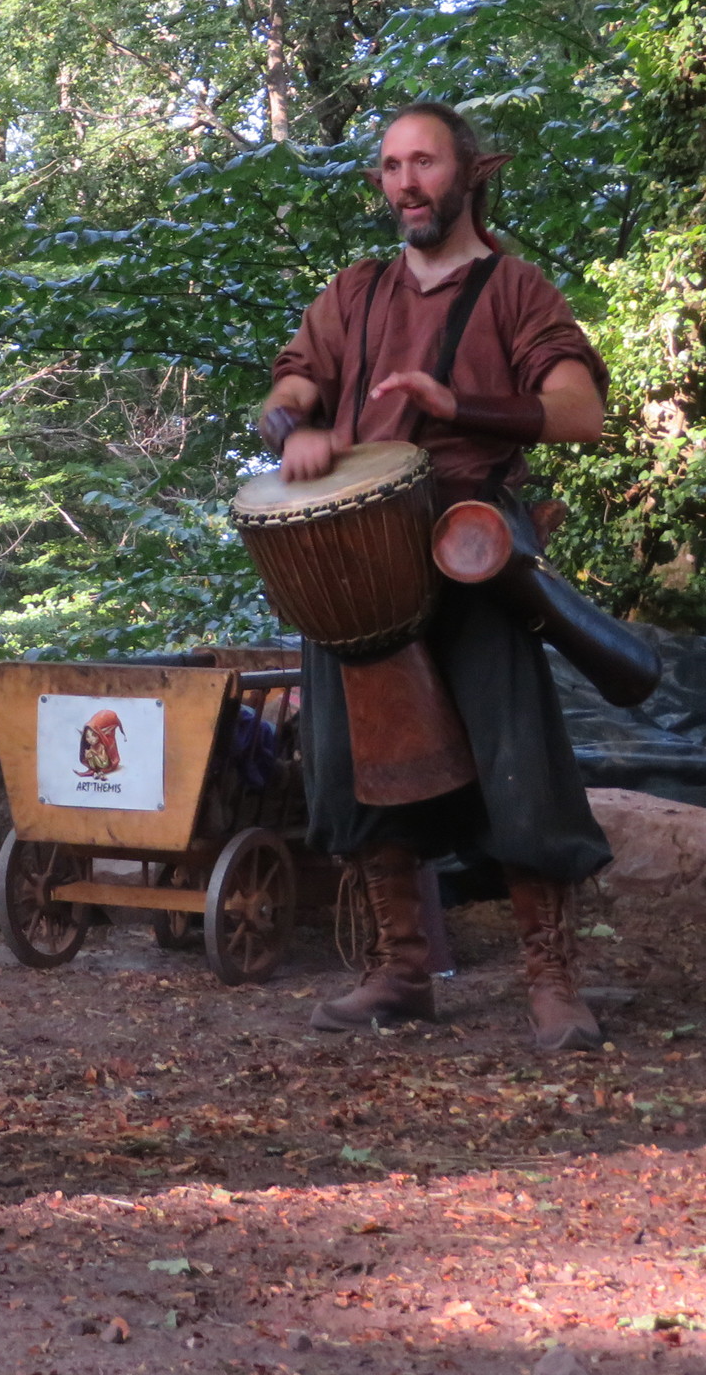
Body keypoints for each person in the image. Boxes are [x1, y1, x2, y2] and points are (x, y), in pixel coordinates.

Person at [255, 100, 613, 1052]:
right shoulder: (355, 293)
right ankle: (401, 970)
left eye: (424, 163)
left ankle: (551, 978)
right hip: (356, 559)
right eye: (390, 167)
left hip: (466, 543)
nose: (406, 183)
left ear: (469, 173)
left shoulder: (515, 290)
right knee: (355, 764)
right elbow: (289, 388)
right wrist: (297, 429)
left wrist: (456, 403)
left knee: (514, 754)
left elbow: (579, 412)